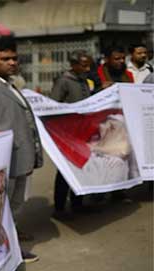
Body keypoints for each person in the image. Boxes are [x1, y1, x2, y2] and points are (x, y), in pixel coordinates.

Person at [0, 38, 42, 263]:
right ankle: (8, 252)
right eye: (5, 59)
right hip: (6, 159)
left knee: (17, 203)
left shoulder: (8, 84)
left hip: (21, 155)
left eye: (14, 58)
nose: (12, 63)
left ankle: (10, 243)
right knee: (3, 207)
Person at [50, 50, 94, 218]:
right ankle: (59, 208)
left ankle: (78, 204)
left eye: (89, 65)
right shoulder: (63, 82)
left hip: (83, 132)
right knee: (64, 171)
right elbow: (54, 105)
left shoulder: (84, 81)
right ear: (74, 65)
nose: (88, 68)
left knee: (80, 167)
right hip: (68, 134)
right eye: (84, 65)